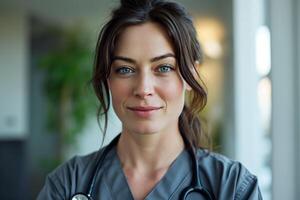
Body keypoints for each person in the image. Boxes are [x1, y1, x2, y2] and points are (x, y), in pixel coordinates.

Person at [37, 0, 263, 199]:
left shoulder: (231, 188)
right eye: (125, 69)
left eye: (163, 67)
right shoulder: (67, 185)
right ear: (108, 79)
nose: (143, 89)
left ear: (191, 76)